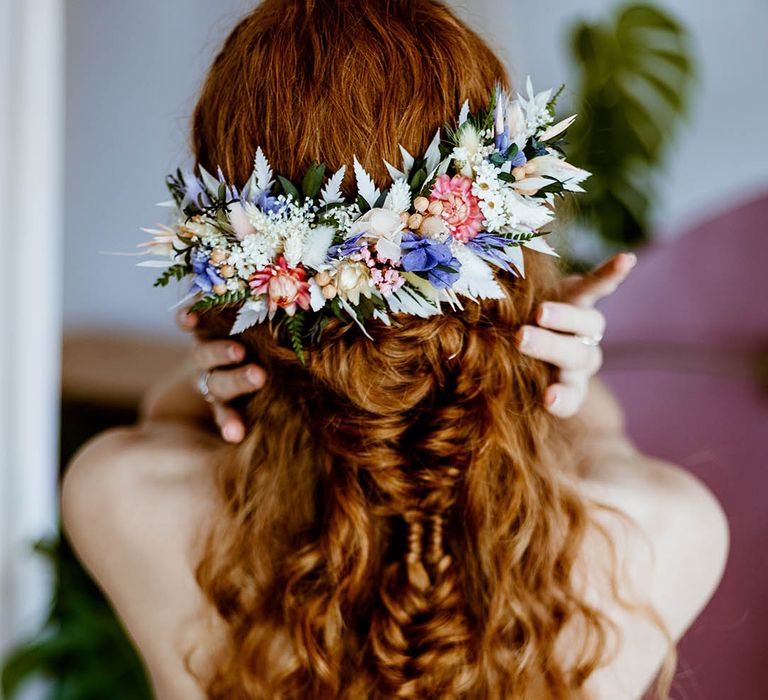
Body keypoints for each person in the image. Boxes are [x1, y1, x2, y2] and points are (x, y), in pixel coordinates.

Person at [60, 1, 728, 698]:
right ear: (502, 221)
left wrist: (209, 371)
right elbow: (599, 442)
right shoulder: (663, 535)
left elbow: (167, 423)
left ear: (235, 255)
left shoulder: (122, 498)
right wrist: (543, 365)